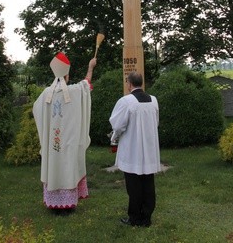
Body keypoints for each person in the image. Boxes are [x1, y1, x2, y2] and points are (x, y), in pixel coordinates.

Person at [33, 53, 97, 214]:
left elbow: (36, 110)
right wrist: (90, 67)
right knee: (68, 167)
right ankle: (68, 204)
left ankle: (54, 204)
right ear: (67, 75)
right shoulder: (74, 91)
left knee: (55, 166)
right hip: (68, 141)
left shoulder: (45, 94)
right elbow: (86, 85)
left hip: (52, 143)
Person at [109, 71, 160, 227]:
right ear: (141, 83)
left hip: (133, 148)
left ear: (129, 84)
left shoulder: (126, 101)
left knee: (134, 186)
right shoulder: (153, 100)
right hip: (149, 147)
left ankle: (135, 217)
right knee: (148, 184)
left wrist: (114, 137)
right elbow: (156, 123)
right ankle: (146, 217)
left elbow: (117, 125)